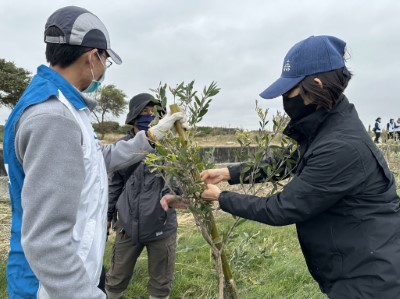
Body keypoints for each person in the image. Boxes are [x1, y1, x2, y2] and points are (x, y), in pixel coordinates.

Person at [3, 6, 185, 299]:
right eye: (105, 60)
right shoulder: (54, 118)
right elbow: (47, 240)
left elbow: (95, 159)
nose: (103, 70)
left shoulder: (61, 108)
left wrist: (150, 137)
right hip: (53, 287)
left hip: (66, 275)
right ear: (92, 57)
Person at [198, 36, 400, 298]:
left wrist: (221, 197)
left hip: (370, 278)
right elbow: (289, 162)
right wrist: (228, 173)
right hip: (360, 259)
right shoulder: (330, 123)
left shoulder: (340, 146)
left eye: (289, 91)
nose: (285, 98)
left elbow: (283, 208)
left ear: (315, 84)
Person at [105, 93, 178, 299]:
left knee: (161, 283)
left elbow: (176, 183)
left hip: (161, 226)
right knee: (116, 279)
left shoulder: (169, 148)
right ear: (134, 116)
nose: (149, 115)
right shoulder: (122, 148)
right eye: (145, 111)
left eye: (153, 112)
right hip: (127, 226)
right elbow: (114, 185)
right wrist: (107, 215)